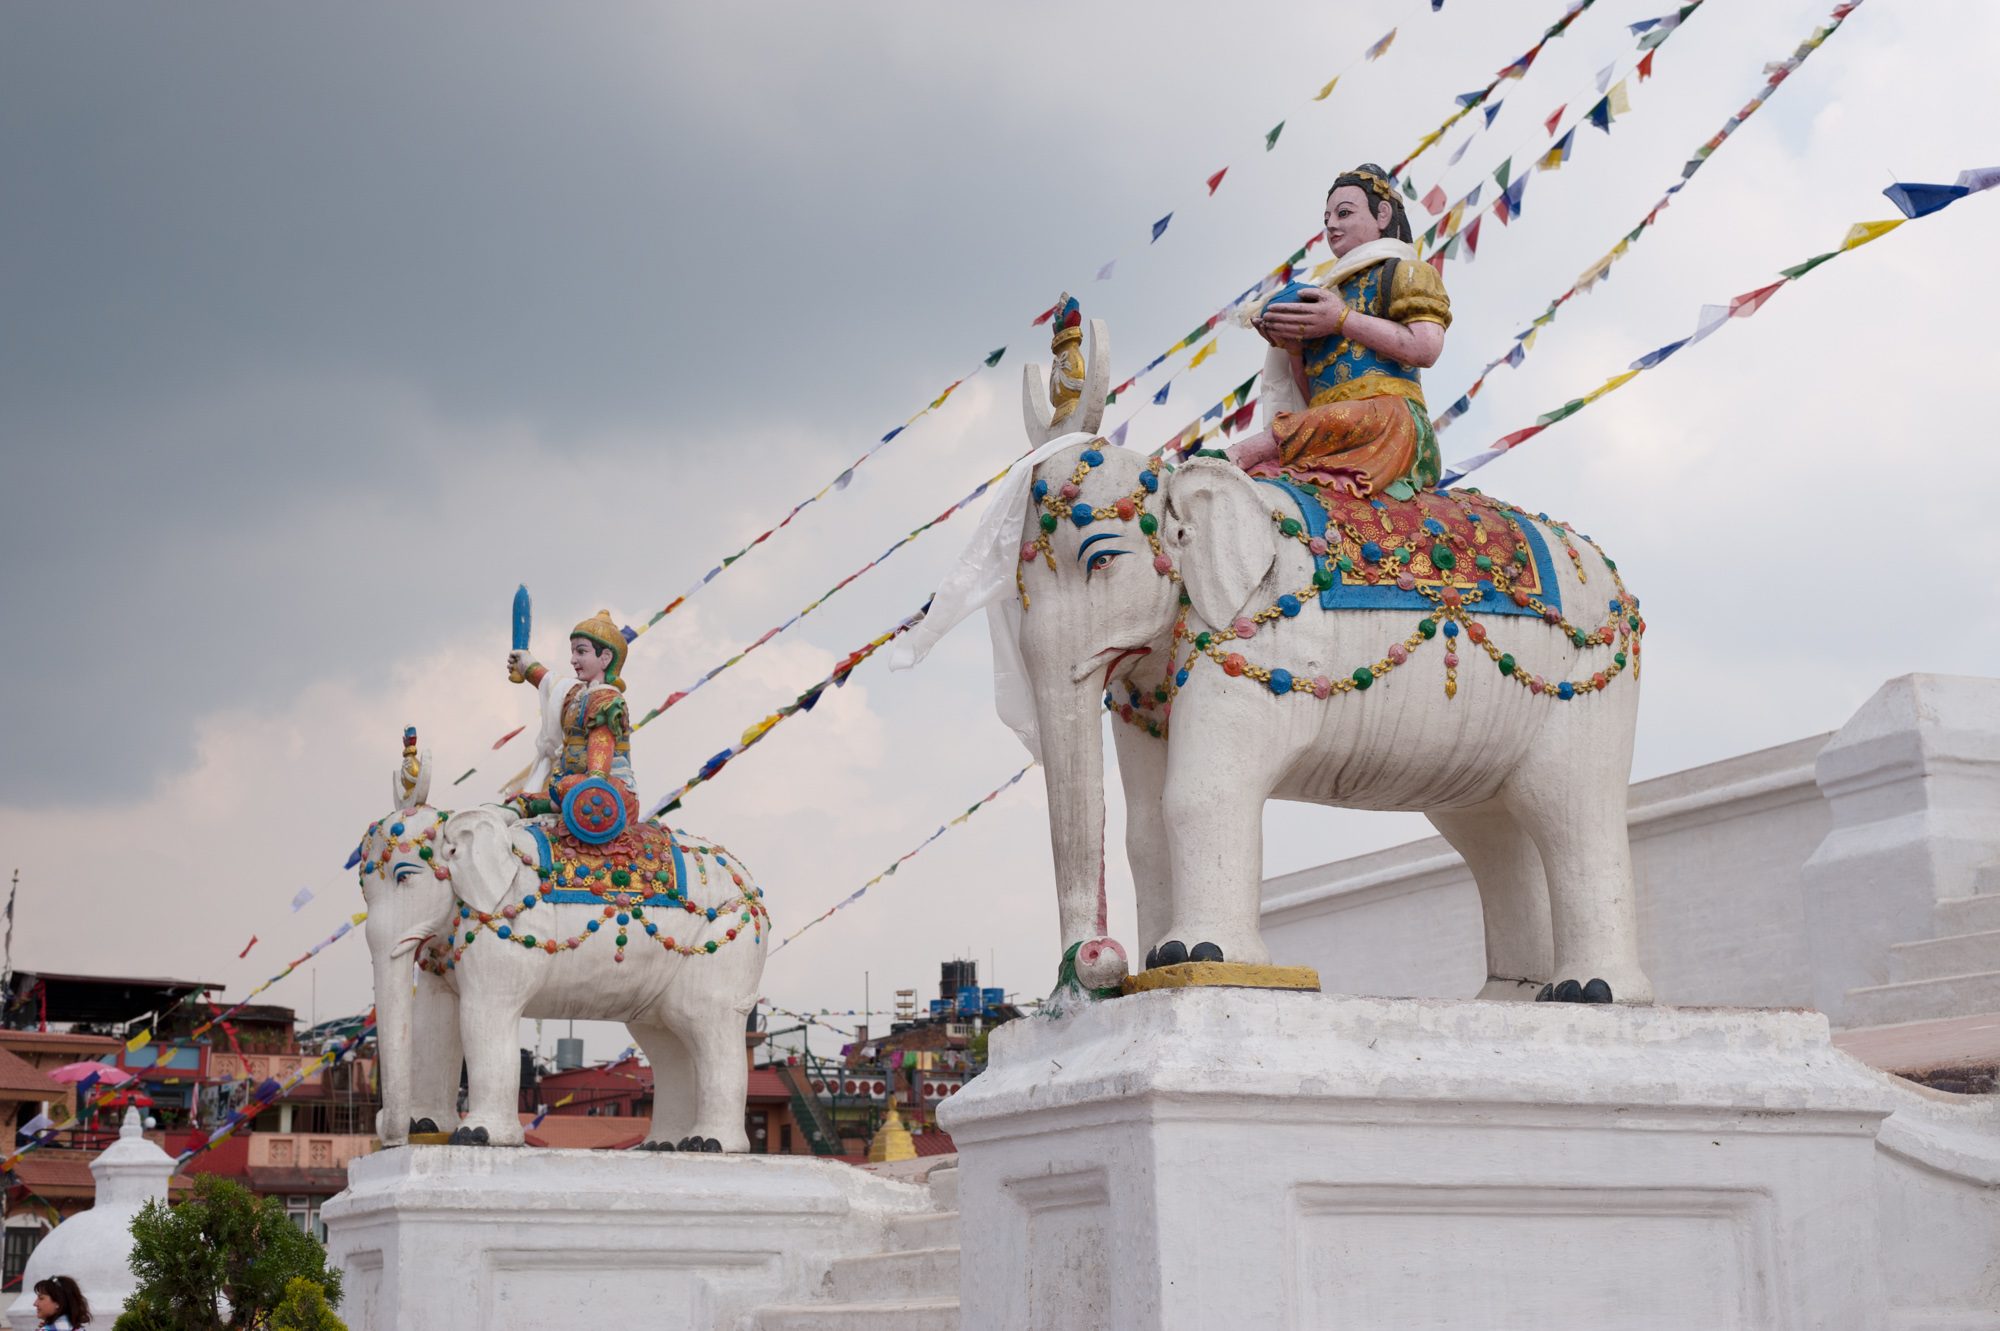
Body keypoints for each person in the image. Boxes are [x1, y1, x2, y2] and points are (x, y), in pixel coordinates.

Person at [1227, 162, 1452, 500]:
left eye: (1343, 213)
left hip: (1387, 421)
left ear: (1382, 215)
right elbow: (1314, 394)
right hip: (1326, 426)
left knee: (1322, 422)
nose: (1331, 225)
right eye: (1327, 218)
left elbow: (1426, 348)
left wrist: (1342, 319)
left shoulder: (1404, 272)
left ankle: (1231, 458)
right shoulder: (1324, 294)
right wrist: (1292, 347)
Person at [504, 608, 641, 833]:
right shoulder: (579, 695)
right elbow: (552, 684)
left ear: (605, 657)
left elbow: (601, 745)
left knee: (568, 786)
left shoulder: (607, 699)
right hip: (571, 787)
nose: (573, 660)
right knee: (519, 799)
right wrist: (525, 664)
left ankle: (550, 802)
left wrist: (594, 780)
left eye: (581, 652)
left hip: (608, 790)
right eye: (573, 652)